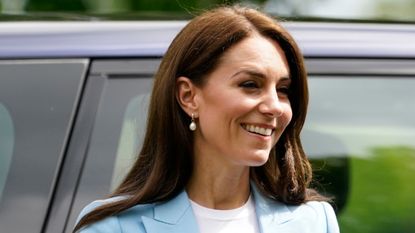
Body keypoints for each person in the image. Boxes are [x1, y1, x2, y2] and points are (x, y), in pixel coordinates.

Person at [74, 5, 340, 233]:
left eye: (282, 90)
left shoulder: (314, 222)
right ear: (189, 96)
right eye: (250, 84)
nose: (274, 106)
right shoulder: (114, 228)